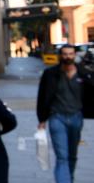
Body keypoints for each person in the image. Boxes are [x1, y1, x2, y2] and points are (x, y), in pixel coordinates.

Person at [37, 44, 94, 183]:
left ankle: (69, 178)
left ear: (75, 55)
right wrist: (42, 119)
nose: (67, 57)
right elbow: (42, 96)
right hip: (57, 118)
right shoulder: (50, 74)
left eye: (70, 54)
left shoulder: (84, 74)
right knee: (62, 156)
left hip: (76, 118)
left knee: (72, 155)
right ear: (60, 56)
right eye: (64, 54)